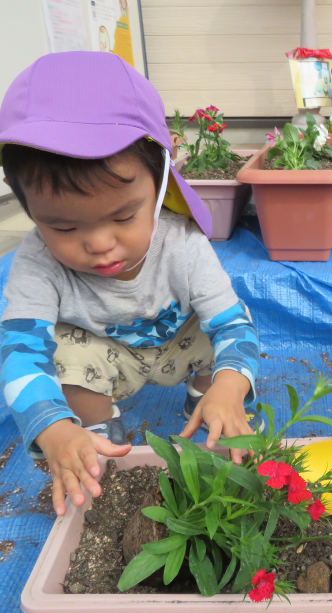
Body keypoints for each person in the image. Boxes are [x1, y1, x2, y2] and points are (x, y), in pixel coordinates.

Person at [0, 52, 260, 517]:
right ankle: (96, 430)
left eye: (123, 215)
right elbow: (19, 353)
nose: (99, 244)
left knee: (215, 329)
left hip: (179, 345)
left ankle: (207, 400)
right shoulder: (37, 262)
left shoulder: (181, 243)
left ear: (160, 183)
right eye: (62, 227)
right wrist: (53, 428)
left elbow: (235, 327)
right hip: (106, 356)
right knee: (59, 349)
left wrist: (230, 384)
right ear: (29, 209)